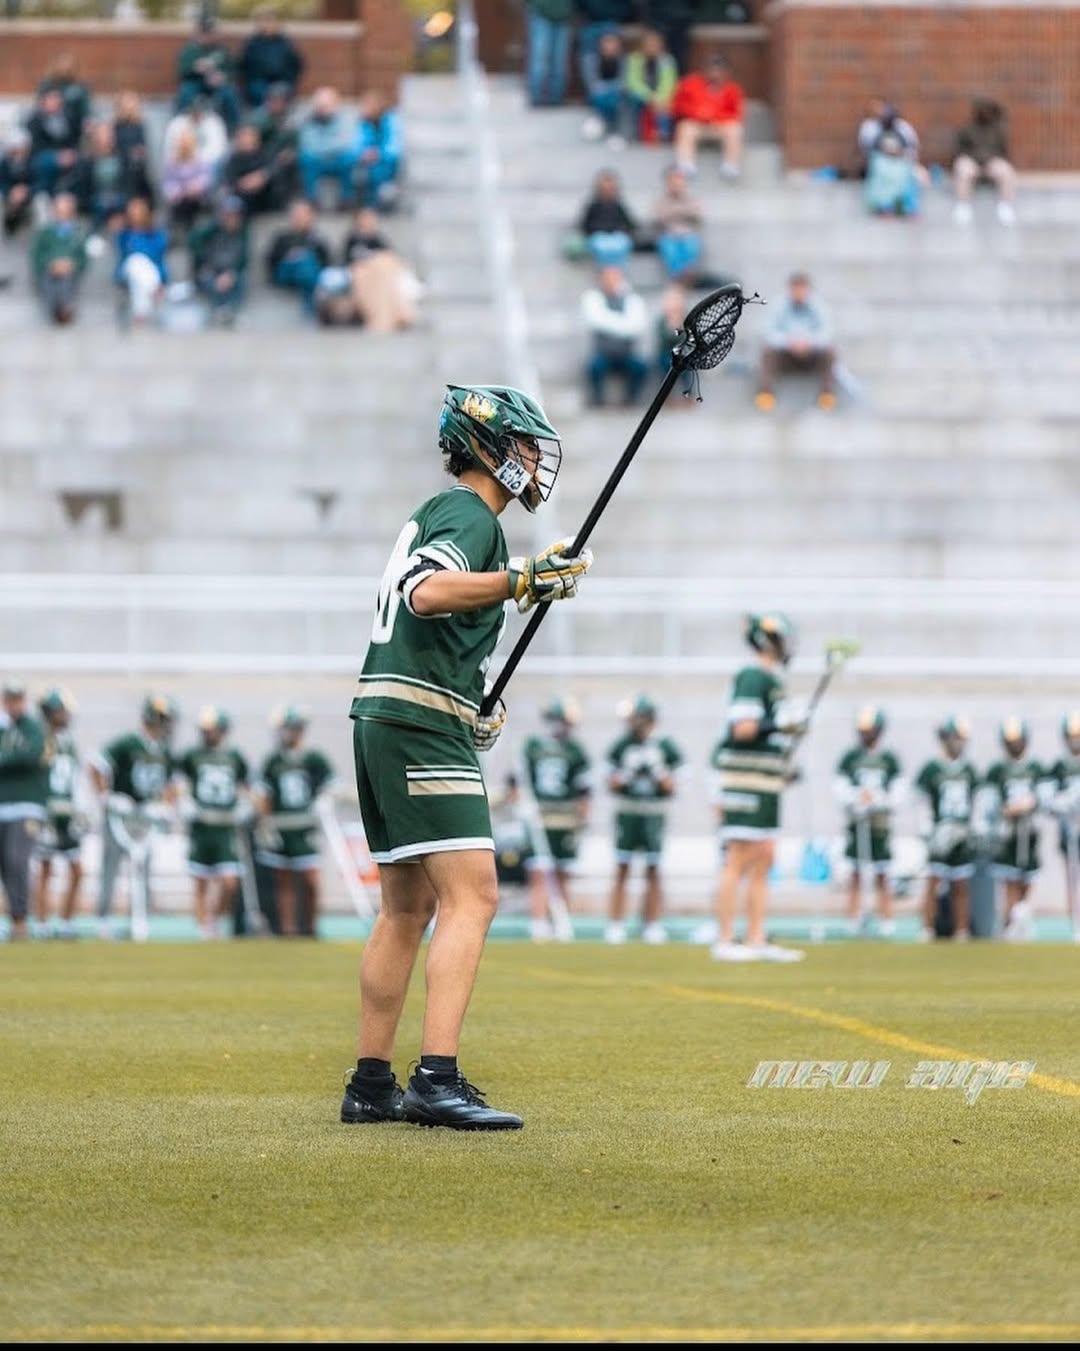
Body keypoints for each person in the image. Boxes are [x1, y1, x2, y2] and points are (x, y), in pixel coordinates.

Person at [341, 382, 593, 1130]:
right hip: (417, 723)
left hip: (390, 714)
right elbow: (425, 593)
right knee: (474, 895)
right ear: (489, 447)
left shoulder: (446, 513)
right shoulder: (470, 515)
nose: (532, 462)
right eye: (523, 447)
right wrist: (521, 580)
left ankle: (371, 1083)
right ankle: (436, 1079)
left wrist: (472, 701)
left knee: (406, 906)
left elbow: (431, 627)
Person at [711, 613, 805, 962]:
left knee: (765, 857)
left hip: (765, 780)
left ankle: (756, 938)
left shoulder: (773, 680)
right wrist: (779, 723)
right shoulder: (752, 676)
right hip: (745, 780)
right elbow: (743, 729)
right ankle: (724, 940)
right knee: (738, 856)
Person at [89, 695, 177, 940]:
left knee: (143, 867)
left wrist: (165, 806)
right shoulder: (128, 743)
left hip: (145, 818)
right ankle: (104, 920)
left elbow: (172, 784)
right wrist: (105, 797)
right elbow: (96, 764)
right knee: (111, 866)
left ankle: (140, 920)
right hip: (121, 815)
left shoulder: (164, 750)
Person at [604, 695, 681, 945]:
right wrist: (627, 774)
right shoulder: (621, 746)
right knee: (622, 867)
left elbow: (674, 786)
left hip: (654, 813)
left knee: (654, 869)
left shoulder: (665, 746)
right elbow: (609, 783)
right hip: (628, 812)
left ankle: (652, 923)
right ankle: (616, 924)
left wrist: (657, 770)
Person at [253, 706, 333, 938]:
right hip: (281, 825)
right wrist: (265, 824)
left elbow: (330, 785)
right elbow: (264, 795)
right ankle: (287, 930)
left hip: (305, 826)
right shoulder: (273, 761)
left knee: (310, 880)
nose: (290, 733)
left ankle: (310, 928)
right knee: (283, 879)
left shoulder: (314, 758)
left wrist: (324, 800)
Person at [175, 707, 250, 941]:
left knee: (230, 882)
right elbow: (179, 783)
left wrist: (245, 805)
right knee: (201, 881)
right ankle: (203, 930)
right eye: (205, 730)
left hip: (226, 827)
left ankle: (214, 920)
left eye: (212, 730)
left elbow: (247, 786)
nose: (208, 734)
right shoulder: (192, 755)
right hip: (202, 825)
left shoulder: (235, 757)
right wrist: (183, 802)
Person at [522, 697, 590, 943]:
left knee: (562, 873)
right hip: (540, 817)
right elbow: (518, 782)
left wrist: (583, 818)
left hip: (565, 817)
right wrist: (523, 804)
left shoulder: (575, 750)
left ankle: (560, 922)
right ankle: (539, 923)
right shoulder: (532, 747)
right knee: (539, 872)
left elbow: (584, 790)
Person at [834, 706, 904, 937]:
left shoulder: (889, 759)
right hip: (857, 823)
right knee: (855, 872)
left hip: (880, 824)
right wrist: (856, 798)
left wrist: (877, 799)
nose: (866, 735)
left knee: (882, 874)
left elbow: (898, 792)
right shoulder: (850, 758)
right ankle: (853, 918)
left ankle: (886, 919)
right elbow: (840, 788)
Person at [977, 718, 1047, 942]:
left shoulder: (1035, 768)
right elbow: (988, 801)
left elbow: (1045, 797)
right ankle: (1009, 922)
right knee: (1008, 879)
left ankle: (1020, 917)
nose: (1014, 745)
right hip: (1007, 833)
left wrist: (1032, 802)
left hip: (1029, 831)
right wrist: (1005, 810)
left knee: (1027, 876)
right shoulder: (998, 770)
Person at [915, 715, 977, 943]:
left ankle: (961, 930)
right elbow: (921, 800)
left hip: (961, 832)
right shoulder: (932, 768)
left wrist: (974, 828)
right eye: (954, 738)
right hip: (939, 831)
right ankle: (927, 928)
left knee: (961, 884)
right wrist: (926, 827)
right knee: (933, 881)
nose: (957, 743)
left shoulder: (968, 769)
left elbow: (977, 800)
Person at [0, 681, 49, 942]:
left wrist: (5, 759)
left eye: (18, 699)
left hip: (27, 807)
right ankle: (13, 918)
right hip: (3, 807)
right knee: (5, 864)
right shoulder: (4, 729)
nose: (14, 704)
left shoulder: (34, 728)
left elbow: (31, 756)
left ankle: (21, 919)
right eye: (10, 699)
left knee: (16, 860)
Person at [34, 688, 83, 940]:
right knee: (45, 868)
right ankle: (42, 923)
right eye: (62, 711)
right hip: (47, 812)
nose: (65, 716)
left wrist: (79, 808)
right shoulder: (39, 739)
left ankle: (65, 921)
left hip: (67, 813)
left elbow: (73, 779)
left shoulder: (68, 742)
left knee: (77, 870)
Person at [320, 207, 420, 331]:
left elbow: (390, 257)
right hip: (360, 278)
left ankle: (396, 313)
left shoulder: (378, 239)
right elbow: (348, 262)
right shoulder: (352, 239)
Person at [755, 271, 837, 412]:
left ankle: (827, 394)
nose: (799, 293)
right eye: (796, 289)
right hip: (785, 356)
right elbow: (769, 332)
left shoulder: (819, 306)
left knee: (830, 351)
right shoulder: (778, 306)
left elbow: (827, 333)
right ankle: (766, 394)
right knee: (767, 351)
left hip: (811, 356)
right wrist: (789, 342)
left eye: (802, 289)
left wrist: (808, 342)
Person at [582, 265, 649, 406]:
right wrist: (624, 323)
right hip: (604, 354)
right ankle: (598, 401)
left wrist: (609, 321)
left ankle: (631, 400)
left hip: (627, 354)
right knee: (594, 366)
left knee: (641, 367)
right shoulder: (594, 297)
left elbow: (636, 327)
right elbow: (595, 321)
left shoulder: (632, 299)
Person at [672, 55, 745, 179]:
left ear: (726, 72)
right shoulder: (690, 84)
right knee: (685, 127)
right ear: (704, 70)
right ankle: (686, 165)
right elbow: (678, 106)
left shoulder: (733, 89)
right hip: (698, 125)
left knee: (735, 129)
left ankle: (731, 166)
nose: (715, 74)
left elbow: (737, 113)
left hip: (720, 127)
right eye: (712, 70)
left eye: (719, 70)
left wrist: (715, 117)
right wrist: (698, 114)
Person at [76, 121, 152, 232]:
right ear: (96, 138)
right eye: (103, 135)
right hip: (97, 202)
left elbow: (132, 186)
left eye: (109, 135)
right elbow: (84, 189)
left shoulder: (125, 158)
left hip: (121, 201)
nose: (107, 139)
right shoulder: (87, 162)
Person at [953, 97, 1016, 227]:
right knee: (962, 169)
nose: (985, 113)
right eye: (982, 110)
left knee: (1006, 171)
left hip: (991, 163)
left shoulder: (998, 130)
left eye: (988, 110)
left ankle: (1005, 207)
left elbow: (1003, 152)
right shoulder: (967, 129)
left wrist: (990, 163)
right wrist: (975, 162)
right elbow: (959, 151)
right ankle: (963, 206)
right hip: (972, 163)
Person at [190, 195, 249, 325]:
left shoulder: (244, 234)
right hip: (210, 270)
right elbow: (193, 242)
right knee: (208, 279)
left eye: (235, 215)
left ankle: (232, 310)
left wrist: (230, 273)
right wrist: (213, 226)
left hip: (230, 272)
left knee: (240, 278)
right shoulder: (211, 231)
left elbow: (244, 259)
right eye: (228, 215)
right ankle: (219, 310)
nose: (232, 219)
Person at [30, 192, 88, 325]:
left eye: (66, 211)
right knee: (50, 281)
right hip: (48, 271)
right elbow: (36, 255)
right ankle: (56, 310)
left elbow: (83, 258)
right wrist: (52, 264)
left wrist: (71, 264)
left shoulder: (79, 232)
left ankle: (64, 308)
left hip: (71, 271)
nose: (62, 214)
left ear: (72, 212)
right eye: (59, 211)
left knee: (67, 280)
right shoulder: (45, 232)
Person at [176, 15, 241, 132]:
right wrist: (195, 69)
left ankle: (234, 129)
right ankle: (181, 127)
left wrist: (222, 77)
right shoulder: (191, 50)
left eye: (210, 33)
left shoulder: (222, 50)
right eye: (204, 33)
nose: (207, 36)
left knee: (230, 93)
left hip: (217, 85)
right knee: (185, 92)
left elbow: (232, 70)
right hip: (196, 82)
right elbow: (182, 71)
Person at [266, 198, 331, 313]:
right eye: (296, 213)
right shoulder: (283, 237)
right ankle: (317, 299)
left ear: (311, 216)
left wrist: (306, 257)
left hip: (308, 274)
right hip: (286, 274)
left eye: (303, 213)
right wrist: (289, 256)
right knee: (304, 261)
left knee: (306, 261)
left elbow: (326, 263)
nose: (299, 217)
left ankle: (311, 303)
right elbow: (270, 261)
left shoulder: (318, 239)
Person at [298, 86, 358, 208]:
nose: (322, 109)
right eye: (319, 106)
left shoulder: (346, 119)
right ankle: (311, 199)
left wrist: (323, 147)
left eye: (326, 106)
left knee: (350, 157)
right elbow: (308, 144)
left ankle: (346, 199)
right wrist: (331, 147)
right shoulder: (309, 120)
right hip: (318, 161)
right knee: (306, 157)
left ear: (335, 105)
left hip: (338, 160)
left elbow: (346, 142)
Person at [114, 197, 170, 325]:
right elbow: (123, 256)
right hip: (128, 268)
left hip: (150, 270)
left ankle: (140, 314)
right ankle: (153, 289)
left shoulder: (156, 235)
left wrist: (163, 279)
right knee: (136, 260)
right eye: (132, 212)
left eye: (138, 211)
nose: (135, 215)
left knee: (139, 275)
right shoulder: (124, 235)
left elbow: (158, 258)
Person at [1050, 713, 1080, 933]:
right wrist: (1061, 803)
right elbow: (1048, 799)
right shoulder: (1060, 766)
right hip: (1070, 830)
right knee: (1072, 877)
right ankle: (1074, 924)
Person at [622, 28, 678, 143]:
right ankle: (635, 132)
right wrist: (650, 97)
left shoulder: (667, 60)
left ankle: (663, 134)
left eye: (655, 44)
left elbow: (669, 83)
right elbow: (633, 82)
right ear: (642, 45)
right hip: (641, 96)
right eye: (649, 44)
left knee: (667, 105)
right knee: (631, 97)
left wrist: (659, 98)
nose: (652, 47)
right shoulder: (634, 59)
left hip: (661, 98)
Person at [240, 6, 304, 107]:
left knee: (280, 93)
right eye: (264, 21)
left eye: (271, 21)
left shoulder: (286, 43)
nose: (268, 25)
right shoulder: (252, 43)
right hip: (259, 81)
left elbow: (297, 63)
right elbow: (244, 65)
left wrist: (289, 79)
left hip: (282, 80)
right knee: (261, 93)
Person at [249, 82, 300, 207]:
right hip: (260, 155)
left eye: (279, 101)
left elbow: (296, 143)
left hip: (281, 158)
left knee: (285, 162)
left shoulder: (292, 118)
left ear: (287, 103)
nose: (274, 104)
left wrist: (291, 152)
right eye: (272, 100)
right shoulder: (259, 116)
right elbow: (250, 138)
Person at [27, 87, 82, 198]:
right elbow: (36, 144)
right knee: (45, 163)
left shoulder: (69, 117)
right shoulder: (35, 120)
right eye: (51, 99)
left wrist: (70, 153)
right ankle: (44, 194)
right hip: (44, 155)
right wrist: (57, 155)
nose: (55, 102)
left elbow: (75, 139)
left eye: (57, 98)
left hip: (68, 154)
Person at [578, 168, 637, 269]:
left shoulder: (619, 206)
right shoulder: (593, 206)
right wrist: (601, 230)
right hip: (599, 237)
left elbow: (630, 224)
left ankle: (615, 271)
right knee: (600, 244)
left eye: (610, 188)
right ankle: (607, 271)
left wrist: (618, 230)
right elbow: (585, 225)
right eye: (604, 188)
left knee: (621, 243)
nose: (607, 190)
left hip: (617, 237)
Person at [653, 164, 704, 279]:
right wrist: (682, 214)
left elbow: (697, 216)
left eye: (679, 180)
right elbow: (659, 219)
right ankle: (679, 279)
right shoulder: (661, 201)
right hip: (669, 235)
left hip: (688, 235)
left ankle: (687, 277)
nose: (676, 184)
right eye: (673, 180)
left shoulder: (691, 199)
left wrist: (675, 214)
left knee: (691, 246)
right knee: (669, 249)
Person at [355, 91, 404, 209]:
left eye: (366, 106)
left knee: (376, 173)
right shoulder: (364, 123)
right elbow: (358, 143)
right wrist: (364, 153)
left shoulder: (391, 121)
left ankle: (372, 207)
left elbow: (395, 147)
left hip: (388, 162)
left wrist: (379, 154)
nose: (363, 109)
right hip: (367, 161)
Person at [162, 127, 215, 233]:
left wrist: (196, 186)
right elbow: (167, 183)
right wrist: (176, 191)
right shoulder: (171, 161)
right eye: (182, 142)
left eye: (187, 142)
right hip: (180, 200)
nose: (184, 145)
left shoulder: (201, 158)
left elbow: (207, 178)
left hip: (198, 199)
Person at [163, 97, 229, 179]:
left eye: (200, 110)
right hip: (182, 161)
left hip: (205, 164)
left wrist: (197, 158)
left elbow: (218, 150)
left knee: (213, 166)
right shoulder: (178, 123)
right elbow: (170, 148)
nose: (197, 113)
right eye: (195, 110)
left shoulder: (214, 122)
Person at [525, 0, 574, 108]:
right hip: (541, 13)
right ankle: (536, 97)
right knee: (539, 58)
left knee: (559, 60)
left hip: (563, 15)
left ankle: (556, 97)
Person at [581, 30, 626, 147]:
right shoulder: (590, 59)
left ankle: (605, 126)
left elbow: (623, 83)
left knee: (614, 99)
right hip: (599, 94)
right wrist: (608, 87)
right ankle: (611, 129)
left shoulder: (623, 60)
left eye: (612, 43)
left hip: (615, 94)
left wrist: (608, 87)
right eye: (606, 42)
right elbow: (591, 83)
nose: (609, 46)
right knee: (602, 97)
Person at [37, 53, 92, 145]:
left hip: (75, 126)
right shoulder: (48, 84)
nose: (65, 67)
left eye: (68, 64)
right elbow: (40, 106)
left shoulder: (80, 86)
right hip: (52, 122)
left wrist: (87, 122)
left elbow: (86, 108)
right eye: (62, 63)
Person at [855, 98, 919, 176]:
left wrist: (899, 153)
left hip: (901, 164)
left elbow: (913, 149)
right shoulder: (870, 126)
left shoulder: (903, 126)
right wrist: (885, 152)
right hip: (878, 164)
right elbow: (865, 149)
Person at [864, 132, 922, 217]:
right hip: (885, 191)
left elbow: (911, 174)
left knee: (910, 185)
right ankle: (885, 208)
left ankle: (908, 209)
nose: (891, 148)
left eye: (894, 146)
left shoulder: (904, 162)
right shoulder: (878, 161)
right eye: (888, 146)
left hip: (901, 192)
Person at [224, 123, 274, 215]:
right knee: (230, 203)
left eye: (250, 136)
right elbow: (230, 182)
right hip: (243, 199)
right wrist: (245, 183)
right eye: (243, 137)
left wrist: (262, 177)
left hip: (266, 197)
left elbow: (272, 170)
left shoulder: (266, 154)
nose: (247, 140)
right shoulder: (233, 160)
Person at [640, 0, 698, 76]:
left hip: (680, 22)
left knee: (675, 61)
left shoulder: (668, 60)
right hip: (658, 20)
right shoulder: (636, 60)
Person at [1, 128, 35, 238]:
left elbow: (40, 181)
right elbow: (2, 181)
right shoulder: (4, 163)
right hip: (8, 195)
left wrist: (26, 191)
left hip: (29, 195)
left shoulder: (33, 161)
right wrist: (10, 192)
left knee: (41, 201)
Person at [113, 91, 150, 179]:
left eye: (132, 103)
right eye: (127, 104)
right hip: (121, 164)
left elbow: (142, 144)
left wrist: (139, 151)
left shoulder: (139, 125)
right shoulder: (117, 126)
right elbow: (115, 145)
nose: (130, 107)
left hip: (137, 167)